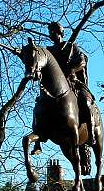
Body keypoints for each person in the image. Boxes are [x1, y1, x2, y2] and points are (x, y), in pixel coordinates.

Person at [31, 22, 95, 155]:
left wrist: (72, 70)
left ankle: (91, 133)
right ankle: (38, 140)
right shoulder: (48, 51)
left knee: (85, 102)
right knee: (39, 106)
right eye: (50, 32)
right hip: (54, 88)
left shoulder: (71, 47)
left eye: (53, 32)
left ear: (60, 33)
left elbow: (82, 61)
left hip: (73, 83)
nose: (51, 35)